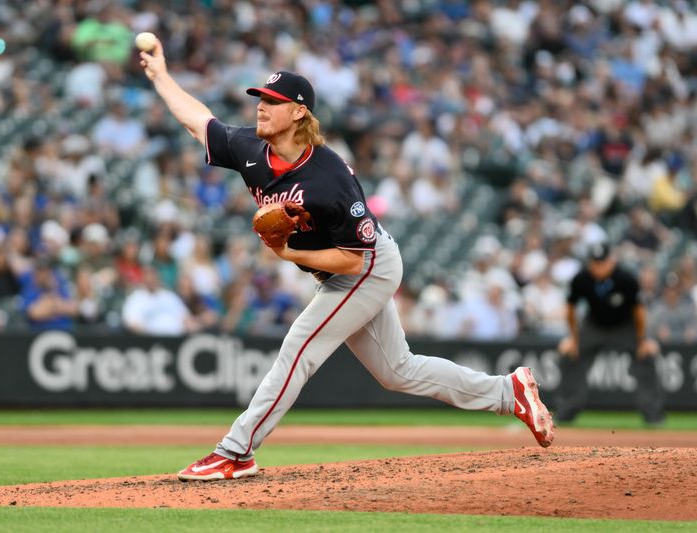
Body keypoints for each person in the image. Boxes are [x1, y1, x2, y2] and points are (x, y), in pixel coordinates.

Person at [139, 37, 555, 482]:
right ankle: (509, 393)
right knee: (399, 371)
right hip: (342, 268)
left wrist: (287, 252)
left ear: (299, 113)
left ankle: (236, 451)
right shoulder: (249, 150)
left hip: (366, 265)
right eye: (260, 98)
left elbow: (354, 262)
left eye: (272, 102)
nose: (261, 106)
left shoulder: (329, 177)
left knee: (298, 347)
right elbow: (198, 121)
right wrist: (162, 76)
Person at [556, 242, 665, 425]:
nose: (598, 268)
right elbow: (570, 310)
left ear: (611, 261)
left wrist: (643, 340)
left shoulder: (626, 278)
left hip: (625, 325)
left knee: (647, 356)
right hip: (594, 325)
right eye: (595, 263)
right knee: (569, 354)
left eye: (602, 262)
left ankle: (653, 414)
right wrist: (573, 339)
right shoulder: (582, 279)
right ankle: (566, 411)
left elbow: (639, 312)